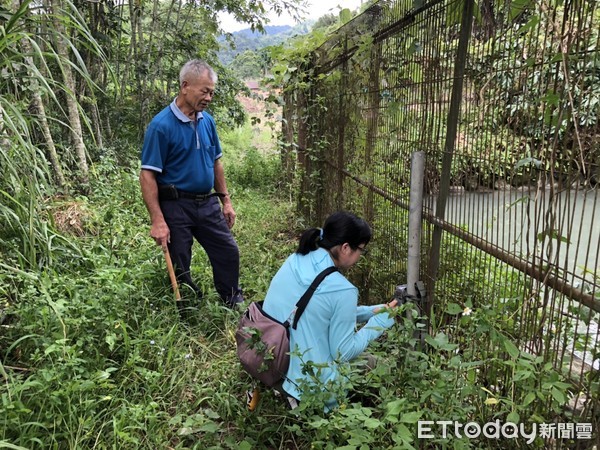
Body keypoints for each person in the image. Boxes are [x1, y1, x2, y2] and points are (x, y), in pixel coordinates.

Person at [262, 211, 398, 410]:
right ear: (345, 248)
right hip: (308, 386)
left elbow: (318, 310)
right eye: (361, 250)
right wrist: (379, 323)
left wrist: (371, 311)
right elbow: (344, 351)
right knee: (378, 365)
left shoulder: (297, 259)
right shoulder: (343, 290)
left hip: (272, 362)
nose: (360, 256)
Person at [139, 59, 243, 308]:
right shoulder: (161, 126)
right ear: (185, 86)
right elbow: (148, 175)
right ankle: (187, 305)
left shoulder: (207, 121)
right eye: (204, 91)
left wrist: (225, 200)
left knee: (228, 251)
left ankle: (231, 299)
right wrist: (157, 220)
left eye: (212, 92)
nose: (209, 97)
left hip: (206, 202)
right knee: (180, 259)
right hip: (176, 205)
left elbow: (216, 162)